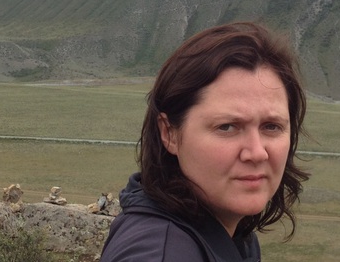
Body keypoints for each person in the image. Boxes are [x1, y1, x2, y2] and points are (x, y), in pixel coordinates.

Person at [101, 21, 309, 262]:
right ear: (169, 133)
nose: (257, 152)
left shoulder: (230, 235)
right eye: (227, 127)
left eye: (271, 126)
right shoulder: (161, 253)